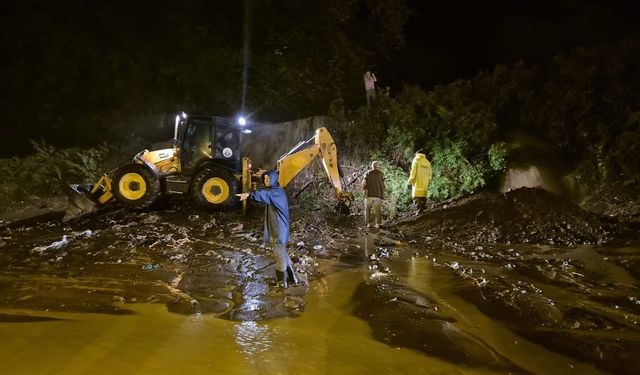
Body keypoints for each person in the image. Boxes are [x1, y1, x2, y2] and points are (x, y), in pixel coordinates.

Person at [236, 170, 298, 288]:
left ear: (275, 179)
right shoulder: (276, 191)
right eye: (265, 179)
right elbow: (265, 194)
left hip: (278, 230)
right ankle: (292, 277)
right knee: (283, 253)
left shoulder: (275, 193)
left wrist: (248, 195)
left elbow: (263, 194)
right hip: (279, 228)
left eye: (269, 179)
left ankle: (281, 283)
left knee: (279, 255)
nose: (266, 181)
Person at [362, 161, 385, 229]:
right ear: (378, 166)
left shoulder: (367, 173)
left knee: (367, 209)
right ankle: (377, 224)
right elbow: (385, 185)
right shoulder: (382, 174)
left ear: (372, 166)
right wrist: (382, 191)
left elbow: (363, 183)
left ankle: (368, 224)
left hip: (369, 195)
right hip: (378, 195)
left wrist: (364, 189)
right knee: (377, 210)